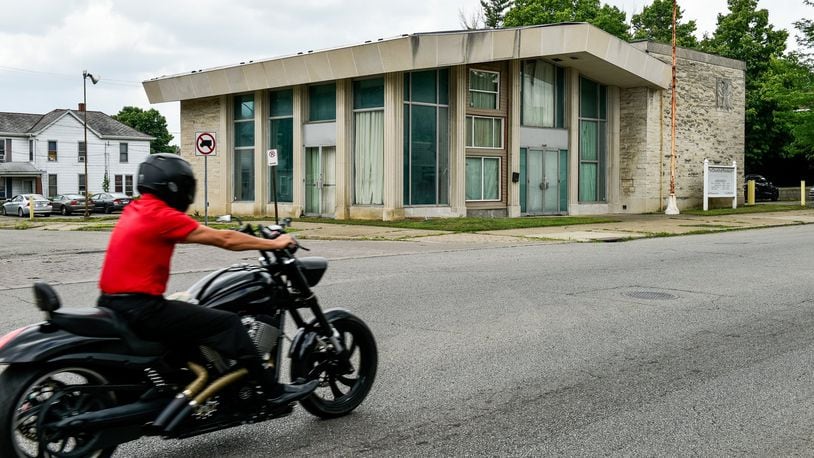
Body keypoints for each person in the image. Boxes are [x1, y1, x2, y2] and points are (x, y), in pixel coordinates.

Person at [97, 153, 317, 405]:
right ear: (175, 186)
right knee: (229, 325)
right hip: (142, 309)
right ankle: (273, 391)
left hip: (112, 303)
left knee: (191, 313)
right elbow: (224, 239)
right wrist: (274, 242)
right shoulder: (162, 215)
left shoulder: (135, 209)